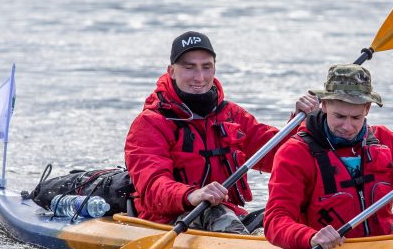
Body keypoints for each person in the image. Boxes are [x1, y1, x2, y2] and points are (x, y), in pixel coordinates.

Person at [125, 31, 317, 233]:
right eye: (189, 68)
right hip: (166, 221)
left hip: (228, 214)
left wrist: (304, 122)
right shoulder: (149, 123)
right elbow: (152, 186)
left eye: (206, 67)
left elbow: (279, 155)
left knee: (283, 214)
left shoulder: (231, 115)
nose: (200, 77)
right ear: (171, 71)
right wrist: (192, 195)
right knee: (215, 211)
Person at [265, 64, 393, 249]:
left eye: (356, 118)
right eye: (340, 116)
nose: (348, 127)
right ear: (323, 106)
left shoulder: (386, 141)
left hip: (383, 247)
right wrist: (310, 237)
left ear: (367, 109)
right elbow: (275, 220)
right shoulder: (295, 152)